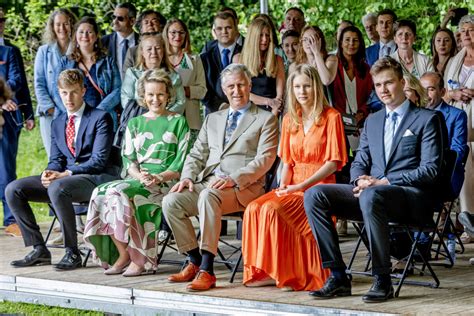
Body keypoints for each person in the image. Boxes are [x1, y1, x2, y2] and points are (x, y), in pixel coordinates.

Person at [304, 57, 443, 303]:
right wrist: (359, 180)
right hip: (372, 195)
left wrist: (383, 182)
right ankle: (337, 275)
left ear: (402, 82)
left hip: (411, 198)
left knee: (372, 194)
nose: (384, 90)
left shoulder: (427, 119)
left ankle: (383, 279)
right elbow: (359, 161)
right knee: (315, 194)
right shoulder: (373, 120)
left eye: (389, 83)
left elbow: (430, 170)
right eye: (378, 85)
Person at [162, 63, 278, 292]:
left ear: (249, 85)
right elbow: (197, 153)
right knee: (171, 201)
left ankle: (208, 269)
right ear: (224, 89)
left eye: (241, 85)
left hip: (244, 187)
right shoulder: (213, 118)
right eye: (231, 86)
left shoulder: (265, 119)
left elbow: (265, 159)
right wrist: (187, 177)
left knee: (208, 195)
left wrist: (234, 178)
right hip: (209, 182)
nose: (237, 91)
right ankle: (194, 260)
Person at [242, 64, 347, 290]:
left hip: (320, 188)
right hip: (293, 185)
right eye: (297, 86)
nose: (302, 91)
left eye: (307, 86)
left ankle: (291, 273)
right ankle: (266, 270)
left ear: (316, 88)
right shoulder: (290, 118)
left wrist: (300, 186)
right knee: (254, 208)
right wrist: (282, 189)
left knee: (272, 210)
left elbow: (333, 164)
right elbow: (287, 162)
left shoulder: (332, 117)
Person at [6, 69, 119, 270]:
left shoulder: (100, 117)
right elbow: (56, 159)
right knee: (13, 189)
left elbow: (99, 160)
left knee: (58, 188)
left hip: (96, 178)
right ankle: (39, 249)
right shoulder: (58, 122)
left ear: (83, 91)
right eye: (64, 93)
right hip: (65, 180)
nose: (69, 98)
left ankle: (72, 252)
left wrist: (65, 174)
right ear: (59, 92)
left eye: (74, 92)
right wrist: (49, 172)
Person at [84, 69, 190, 276]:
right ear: (143, 96)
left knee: (119, 194)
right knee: (101, 192)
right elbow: (129, 161)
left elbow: (181, 163)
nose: (155, 99)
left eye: (160, 94)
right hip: (138, 179)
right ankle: (123, 253)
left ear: (168, 95)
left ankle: (139, 259)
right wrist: (139, 176)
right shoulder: (134, 123)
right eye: (150, 94)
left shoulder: (179, 121)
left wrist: (158, 177)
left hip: (166, 182)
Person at [0, 9, 35, 238]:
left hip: (8, 117)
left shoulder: (10, 50)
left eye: (1, 19)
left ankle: (11, 219)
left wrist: (29, 114)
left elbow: (18, 80)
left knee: (5, 168)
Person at [56, 17, 121, 128]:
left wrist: (98, 112)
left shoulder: (108, 62)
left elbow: (117, 90)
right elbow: (56, 89)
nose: (85, 36)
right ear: (76, 35)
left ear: (96, 36)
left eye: (89, 32)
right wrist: (72, 112)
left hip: (102, 119)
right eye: (81, 32)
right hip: (73, 120)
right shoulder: (65, 62)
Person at [444, 15, 474, 244]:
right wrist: (454, 94)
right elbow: (443, 91)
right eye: (463, 31)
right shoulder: (455, 60)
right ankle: (469, 224)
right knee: (465, 172)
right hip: (461, 124)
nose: (466, 35)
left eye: (471, 30)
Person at [34, 8, 76, 158]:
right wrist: (52, 109)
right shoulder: (44, 51)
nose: (62, 28)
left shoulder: (78, 50)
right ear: (52, 27)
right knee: (54, 156)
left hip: (75, 112)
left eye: (66, 24)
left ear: (72, 25)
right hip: (50, 114)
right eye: (58, 24)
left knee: (74, 156)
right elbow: (39, 83)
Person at [421, 71, 468, 199]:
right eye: (422, 89)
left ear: (442, 92)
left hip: (445, 174)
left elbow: (458, 151)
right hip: (418, 173)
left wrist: (434, 168)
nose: (425, 94)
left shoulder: (457, 115)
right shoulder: (415, 114)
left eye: (430, 89)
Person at [163, 18, 207, 143]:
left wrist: (182, 90)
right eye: (173, 32)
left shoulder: (195, 59)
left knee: (190, 160)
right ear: (166, 34)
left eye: (181, 32)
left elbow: (202, 90)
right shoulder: (160, 58)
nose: (177, 36)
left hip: (190, 120)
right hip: (164, 119)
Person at [121, 33, 185, 114]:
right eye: (149, 49)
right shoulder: (132, 73)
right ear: (142, 52)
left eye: (158, 48)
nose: (154, 52)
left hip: (167, 123)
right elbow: (126, 100)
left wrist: (161, 117)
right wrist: (146, 117)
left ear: (163, 51)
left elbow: (180, 102)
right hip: (139, 121)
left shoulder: (174, 76)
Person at [233, 17, 285, 115]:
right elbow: (240, 92)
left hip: (273, 112)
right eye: (260, 35)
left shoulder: (277, 60)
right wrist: (268, 101)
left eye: (267, 35)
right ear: (253, 37)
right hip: (247, 113)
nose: (265, 39)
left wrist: (272, 117)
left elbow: (279, 96)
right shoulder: (239, 59)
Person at [201, 12, 242, 113]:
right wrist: (222, 106)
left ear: (235, 28)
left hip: (242, 111)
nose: (224, 31)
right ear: (214, 31)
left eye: (228, 27)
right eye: (219, 28)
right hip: (215, 112)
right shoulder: (205, 58)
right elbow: (202, 88)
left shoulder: (246, 53)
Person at [123, 9, 166, 75]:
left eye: (154, 21)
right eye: (146, 22)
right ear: (141, 29)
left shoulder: (168, 48)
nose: (150, 24)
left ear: (162, 26)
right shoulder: (132, 52)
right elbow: (126, 79)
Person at [101, 3, 139, 78]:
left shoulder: (143, 42)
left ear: (132, 21)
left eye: (120, 18)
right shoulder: (103, 42)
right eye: (114, 17)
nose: (115, 21)